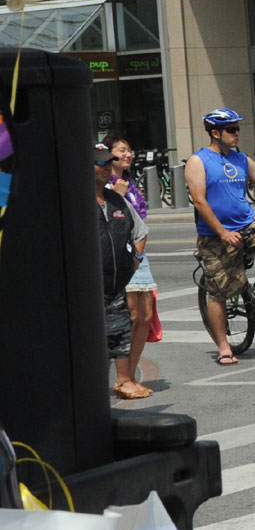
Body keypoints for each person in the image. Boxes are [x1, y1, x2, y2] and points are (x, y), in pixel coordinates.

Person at [186, 107, 255, 366]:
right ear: (215, 133)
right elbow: (200, 202)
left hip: (249, 228)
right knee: (219, 293)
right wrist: (223, 232)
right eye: (232, 129)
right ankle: (224, 347)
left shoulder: (240, 159)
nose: (237, 134)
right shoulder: (198, 161)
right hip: (216, 237)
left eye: (238, 129)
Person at [103, 132, 157, 399]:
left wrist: (136, 258)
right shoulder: (109, 189)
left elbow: (139, 225)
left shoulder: (129, 183)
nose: (127, 154)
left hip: (135, 255)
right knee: (130, 315)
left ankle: (130, 375)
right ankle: (122, 377)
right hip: (118, 259)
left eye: (129, 150)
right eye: (121, 150)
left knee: (144, 317)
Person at [95, 143, 149, 400]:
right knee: (93, 338)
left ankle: (124, 380)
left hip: (116, 283)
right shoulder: (74, 201)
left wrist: (135, 260)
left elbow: (140, 232)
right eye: (102, 164)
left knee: (119, 331)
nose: (107, 168)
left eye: (109, 163)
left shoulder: (117, 200)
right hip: (87, 286)